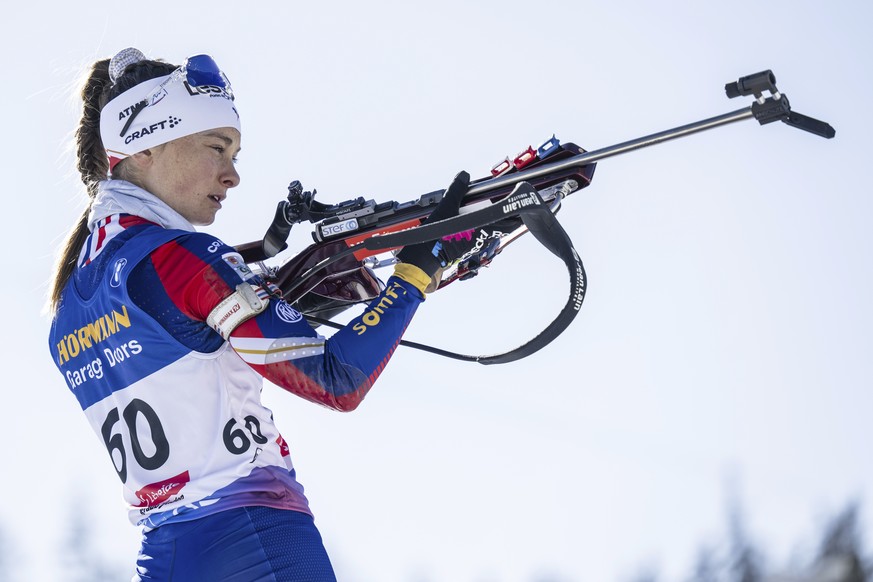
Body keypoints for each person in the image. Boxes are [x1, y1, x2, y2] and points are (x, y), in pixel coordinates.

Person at [47, 47, 472, 581]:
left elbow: (191, 347)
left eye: (236, 154)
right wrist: (415, 274)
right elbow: (336, 382)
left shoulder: (69, 303)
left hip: (168, 556)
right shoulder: (179, 258)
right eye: (216, 147)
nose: (232, 175)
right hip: (255, 537)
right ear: (145, 145)